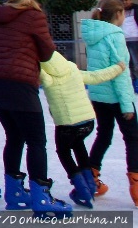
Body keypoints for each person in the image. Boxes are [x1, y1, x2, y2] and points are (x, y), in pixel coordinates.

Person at [0, 0, 70, 216]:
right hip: (18, 82)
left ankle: (15, 191)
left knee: (14, 136)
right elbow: (47, 51)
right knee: (36, 140)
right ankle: (41, 196)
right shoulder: (33, 15)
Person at [40, 48, 125, 208]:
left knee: (64, 152)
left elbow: (35, 77)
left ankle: (81, 188)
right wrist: (118, 68)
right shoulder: (72, 68)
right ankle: (90, 184)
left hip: (66, 124)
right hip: (87, 122)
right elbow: (96, 76)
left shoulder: (45, 74)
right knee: (78, 145)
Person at [84, 0, 138, 205]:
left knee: (104, 135)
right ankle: (136, 184)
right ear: (118, 15)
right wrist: (127, 105)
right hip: (116, 96)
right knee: (133, 138)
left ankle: (90, 178)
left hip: (99, 96)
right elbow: (121, 74)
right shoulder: (115, 36)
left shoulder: (93, 35)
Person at [120, 0, 138, 84]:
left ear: (130, 0)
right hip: (124, 40)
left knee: (136, 61)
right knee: (128, 62)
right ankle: (133, 80)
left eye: (126, 0)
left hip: (135, 39)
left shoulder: (136, 9)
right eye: (122, 1)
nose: (124, 2)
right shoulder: (119, 11)